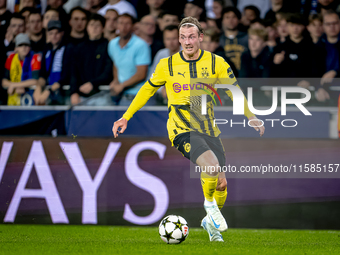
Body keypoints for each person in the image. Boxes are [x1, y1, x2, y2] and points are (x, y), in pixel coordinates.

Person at [111, 16, 265, 242]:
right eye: (183, 37)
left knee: (221, 183)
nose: (187, 41)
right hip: (181, 129)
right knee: (211, 166)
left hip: (209, 130)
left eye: (191, 36)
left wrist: (250, 116)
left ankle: (209, 223)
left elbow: (234, 91)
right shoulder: (167, 65)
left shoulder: (217, 63)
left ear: (201, 37)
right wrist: (126, 116)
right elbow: (146, 90)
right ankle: (209, 206)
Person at [108, 13, 151, 106]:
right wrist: (116, 80)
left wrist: (122, 85)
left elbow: (141, 74)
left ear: (132, 26)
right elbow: (116, 63)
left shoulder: (141, 45)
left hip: (139, 95)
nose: (124, 27)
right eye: (121, 23)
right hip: (121, 94)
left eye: (127, 23)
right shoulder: (112, 44)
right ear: (116, 25)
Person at [70, 13, 113, 105]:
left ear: (103, 28)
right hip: (81, 95)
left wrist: (93, 83)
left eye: (97, 25)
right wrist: (74, 92)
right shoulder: (79, 48)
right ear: (87, 27)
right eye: (91, 25)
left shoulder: (109, 46)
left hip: (102, 95)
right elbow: (74, 72)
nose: (94, 28)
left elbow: (108, 71)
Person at [2, 33, 41, 106]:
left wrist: (14, 85)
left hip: (31, 99)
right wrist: (16, 86)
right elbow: (4, 82)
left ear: (30, 47)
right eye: (20, 45)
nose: (24, 47)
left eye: (26, 45)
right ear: (16, 48)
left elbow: (35, 81)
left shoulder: (35, 58)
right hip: (13, 100)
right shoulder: (11, 58)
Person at [34, 20, 66, 105]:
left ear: (62, 33)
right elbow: (43, 74)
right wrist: (38, 88)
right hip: (49, 94)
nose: (54, 36)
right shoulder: (47, 49)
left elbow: (68, 73)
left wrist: (49, 90)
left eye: (57, 33)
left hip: (64, 93)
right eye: (51, 33)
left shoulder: (68, 48)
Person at [220, 6, 248, 71]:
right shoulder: (218, 40)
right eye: (227, 17)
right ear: (222, 20)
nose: (230, 20)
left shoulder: (247, 38)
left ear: (239, 19)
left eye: (234, 17)